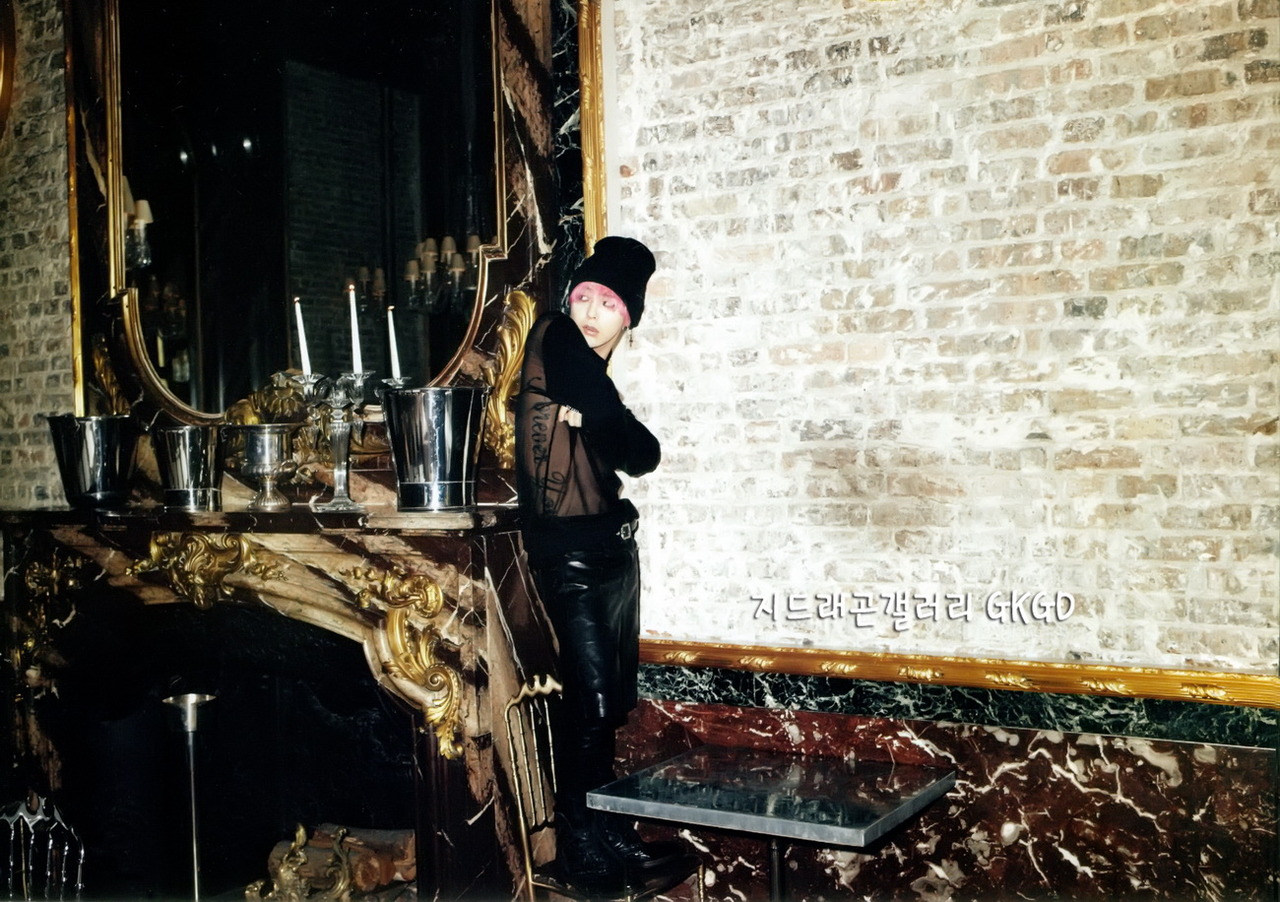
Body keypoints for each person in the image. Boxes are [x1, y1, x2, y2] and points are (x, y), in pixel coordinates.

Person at [515, 237, 692, 895]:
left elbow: (636, 449)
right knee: (587, 705)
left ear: (629, 319)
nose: (590, 311)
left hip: (614, 553)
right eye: (584, 295)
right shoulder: (555, 335)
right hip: (571, 556)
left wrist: (600, 418)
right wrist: (604, 420)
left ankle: (606, 829)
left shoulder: (592, 379)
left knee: (608, 705)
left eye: (609, 303)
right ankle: (578, 848)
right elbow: (632, 445)